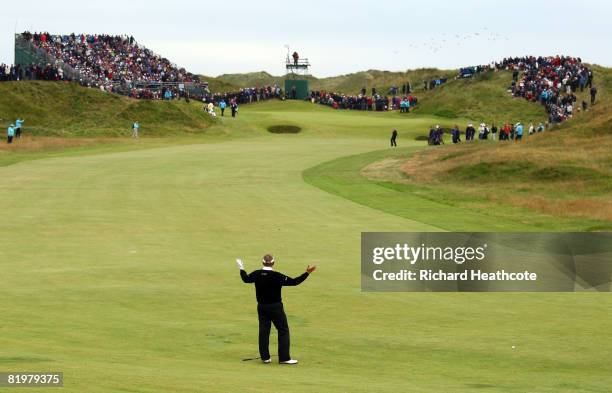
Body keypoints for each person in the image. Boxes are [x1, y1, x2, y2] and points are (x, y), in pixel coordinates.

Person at [237, 254, 316, 365]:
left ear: (262, 262)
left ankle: (265, 358)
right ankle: (284, 358)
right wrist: (307, 273)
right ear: (273, 263)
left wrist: (241, 268)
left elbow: (245, 279)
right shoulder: (277, 276)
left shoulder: (257, 274)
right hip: (275, 307)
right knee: (283, 330)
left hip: (261, 307)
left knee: (264, 331)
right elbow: (294, 282)